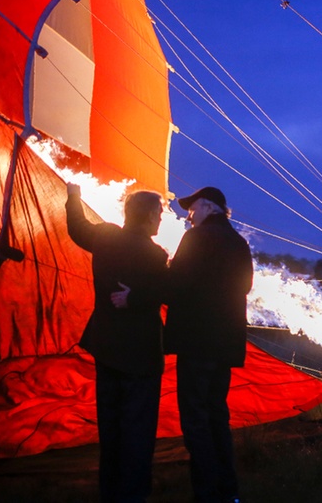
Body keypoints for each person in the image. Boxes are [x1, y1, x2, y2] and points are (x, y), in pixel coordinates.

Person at [113, 186, 253, 503]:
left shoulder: (197, 239)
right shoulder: (239, 244)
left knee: (195, 421)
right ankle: (228, 491)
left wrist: (133, 296)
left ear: (208, 207)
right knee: (218, 417)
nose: (188, 216)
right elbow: (244, 286)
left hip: (197, 344)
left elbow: (174, 285)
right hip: (225, 348)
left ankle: (206, 493)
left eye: (192, 209)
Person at [65, 183, 169, 503]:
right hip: (141, 353)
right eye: (160, 214)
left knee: (110, 426)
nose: (161, 220)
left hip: (106, 346)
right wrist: (136, 299)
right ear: (150, 216)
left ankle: (110, 491)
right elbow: (166, 292)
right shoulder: (155, 254)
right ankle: (134, 493)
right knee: (138, 429)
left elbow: (77, 228)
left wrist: (73, 197)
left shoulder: (106, 237)